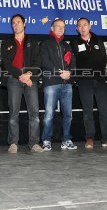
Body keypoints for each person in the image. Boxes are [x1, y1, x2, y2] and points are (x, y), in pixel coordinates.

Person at [1, 14, 43, 153]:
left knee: (34, 114)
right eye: (13, 23)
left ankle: (34, 143)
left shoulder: (33, 41)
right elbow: (6, 64)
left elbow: (38, 61)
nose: (16, 25)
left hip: (31, 80)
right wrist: (20, 75)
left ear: (24, 24)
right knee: (14, 113)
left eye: (18, 22)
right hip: (14, 80)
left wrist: (29, 74)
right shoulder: (7, 42)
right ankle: (13, 143)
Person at [72, 17, 107, 149]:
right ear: (77, 29)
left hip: (99, 80)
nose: (82, 27)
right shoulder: (74, 43)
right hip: (84, 81)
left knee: (104, 110)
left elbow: (103, 58)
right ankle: (90, 138)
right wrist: (77, 77)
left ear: (90, 26)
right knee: (88, 111)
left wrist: (99, 73)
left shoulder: (98, 41)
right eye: (79, 26)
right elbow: (73, 62)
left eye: (85, 25)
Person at [40, 19, 77, 151]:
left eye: (63, 27)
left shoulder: (67, 45)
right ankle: (46, 140)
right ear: (52, 28)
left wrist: (70, 73)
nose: (61, 29)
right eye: (58, 27)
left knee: (68, 114)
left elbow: (72, 63)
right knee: (49, 114)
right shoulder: (46, 44)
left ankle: (66, 139)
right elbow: (44, 62)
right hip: (51, 82)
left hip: (67, 83)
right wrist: (59, 72)